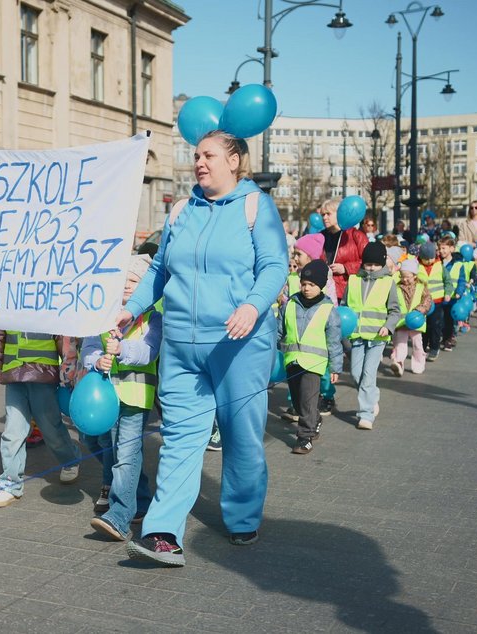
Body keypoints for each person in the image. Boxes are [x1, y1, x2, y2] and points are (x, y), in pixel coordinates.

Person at [119, 129, 288, 567]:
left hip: (239, 346)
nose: (200, 162)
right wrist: (132, 310)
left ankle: (243, 517)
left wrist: (253, 306)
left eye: (209, 155)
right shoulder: (180, 211)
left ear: (235, 161)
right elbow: (158, 270)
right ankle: (162, 534)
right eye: (197, 155)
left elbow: (274, 265)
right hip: (180, 346)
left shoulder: (255, 207)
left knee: (241, 436)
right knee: (179, 439)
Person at [84, 255, 160, 542]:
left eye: (134, 281)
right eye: (123, 280)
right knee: (108, 449)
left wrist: (121, 349)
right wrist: (96, 360)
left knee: (125, 456)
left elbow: (149, 351)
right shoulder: (103, 315)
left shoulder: (153, 316)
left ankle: (119, 516)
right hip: (105, 397)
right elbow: (89, 347)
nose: (127, 286)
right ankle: (140, 502)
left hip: (135, 397)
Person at [0, 330, 82, 507]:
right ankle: (10, 484)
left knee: (50, 427)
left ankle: (70, 460)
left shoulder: (49, 301)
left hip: (42, 372)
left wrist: (70, 369)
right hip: (14, 371)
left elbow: (63, 336)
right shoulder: (6, 304)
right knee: (13, 431)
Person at [279, 260, 342, 455]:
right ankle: (314, 419)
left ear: (321, 285)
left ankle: (305, 437)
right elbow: (279, 331)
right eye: (303, 283)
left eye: (311, 285)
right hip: (292, 360)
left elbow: (334, 341)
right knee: (298, 402)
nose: (306, 288)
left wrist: (335, 367)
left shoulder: (328, 310)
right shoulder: (289, 304)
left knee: (307, 399)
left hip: (314, 364)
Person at [344, 242, 401, 430]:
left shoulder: (388, 282)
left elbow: (395, 311)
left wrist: (388, 326)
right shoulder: (353, 281)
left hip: (378, 338)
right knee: (355, 373)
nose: (371, 268)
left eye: (375, 265)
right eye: (368, 264)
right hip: (357, 336)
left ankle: (366, 414)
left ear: (382, 264)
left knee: (368, 374)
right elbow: (344, 307)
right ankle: (372, 397)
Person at [319, 198, 368, 316]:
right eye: (323, 215)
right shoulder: (320, 237)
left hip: (348, 292)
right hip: (325, 291)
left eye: (328, 214)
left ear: (340, 213)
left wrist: (346, 268)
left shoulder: (356, 235)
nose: (324, 217)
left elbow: (369, 263)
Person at [390, 257, 431, 376]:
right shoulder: (396, 288)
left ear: (414, 276)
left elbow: (427, 300)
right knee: (400, 344)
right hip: (401, 321)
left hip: (416, 321)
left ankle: (418, 363)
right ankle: (398, 363)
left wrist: (420, 310)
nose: (404, 279)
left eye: (407, 276)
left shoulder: (421, 287)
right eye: (402, 276)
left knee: (417, 344)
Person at [417, 241, 452, 362]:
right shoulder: (417, 267)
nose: (428, 261)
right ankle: (422, 347)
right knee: (423, 326)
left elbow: (448, 281)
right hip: (422, 302)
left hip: (437, 302)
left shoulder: (440, 267)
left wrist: (448, 293)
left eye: (431, 258)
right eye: (425, 259)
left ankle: (434, 348)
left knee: (436, 325)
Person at [438, 236, 465, 351]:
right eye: (440, 248)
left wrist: (459, 291)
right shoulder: (437, 262)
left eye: (444, 248)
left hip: (452, 298)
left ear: (452, 249)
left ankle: (448, 339)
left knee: (449, 320)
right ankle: (439, 338)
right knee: (439, 320)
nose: (441, 251)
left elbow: (462, 280)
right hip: (439, 297)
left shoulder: (458, 265)